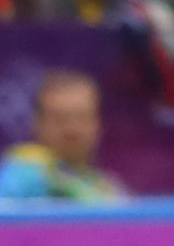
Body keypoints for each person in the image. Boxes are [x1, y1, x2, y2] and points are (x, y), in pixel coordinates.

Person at [1, 71, 123, 203]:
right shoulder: (23, 173)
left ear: (97, 123)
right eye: (60, 119)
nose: (72, 129)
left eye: (81, 117)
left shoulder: (107, 188)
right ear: (37, 123)